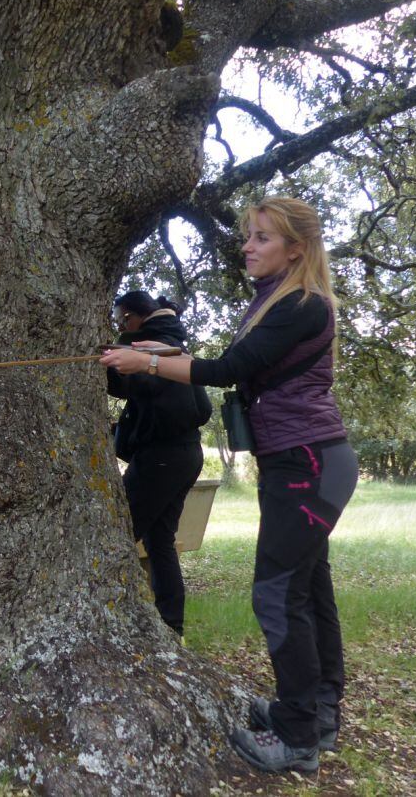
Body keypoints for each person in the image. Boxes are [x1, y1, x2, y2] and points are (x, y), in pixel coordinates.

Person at [100, 198, 358, 774]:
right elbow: (227, 360)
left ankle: (298, 737)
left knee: (277, 593)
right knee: (310, 588)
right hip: (297, 462)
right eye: (248, 235)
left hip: (308, 464)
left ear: (295, 248)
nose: (247, 245)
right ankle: (316, 714)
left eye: (262, 237)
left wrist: (145, 364)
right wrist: (158, 352)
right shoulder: (275, 298)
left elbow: (224, 371)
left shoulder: (301, 304)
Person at [106, 291, 210, 638]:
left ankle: (114, 616)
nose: (121, 326)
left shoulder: (152, 346)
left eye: (123, 320)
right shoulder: (175, 343)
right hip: (188, 453)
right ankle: (170, 623)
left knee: (117, 534)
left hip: (162, 457)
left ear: (138, 317)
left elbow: (129, 386)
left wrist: (111, 360)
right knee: (159, 540)